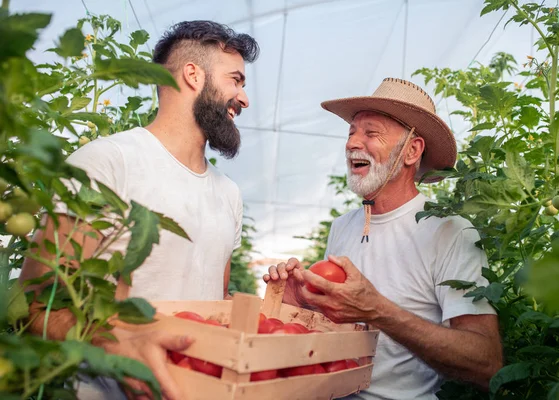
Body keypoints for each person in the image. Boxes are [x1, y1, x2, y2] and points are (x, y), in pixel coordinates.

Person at [19, 20, 259, 399]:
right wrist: (115, 346)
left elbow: (213, 302)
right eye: (236, 80)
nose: (244, 99)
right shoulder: (108, 162)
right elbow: (34, 303)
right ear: (193, 76)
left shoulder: (229, 194)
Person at [264, 78, 503, 399]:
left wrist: (377, 310)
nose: (352, 143)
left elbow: (488, 365)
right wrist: (305, 305)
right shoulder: (343, 226)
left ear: (412, 151)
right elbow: (341, 329)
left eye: (370, 133)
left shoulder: (450, 231)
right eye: (351, 133)